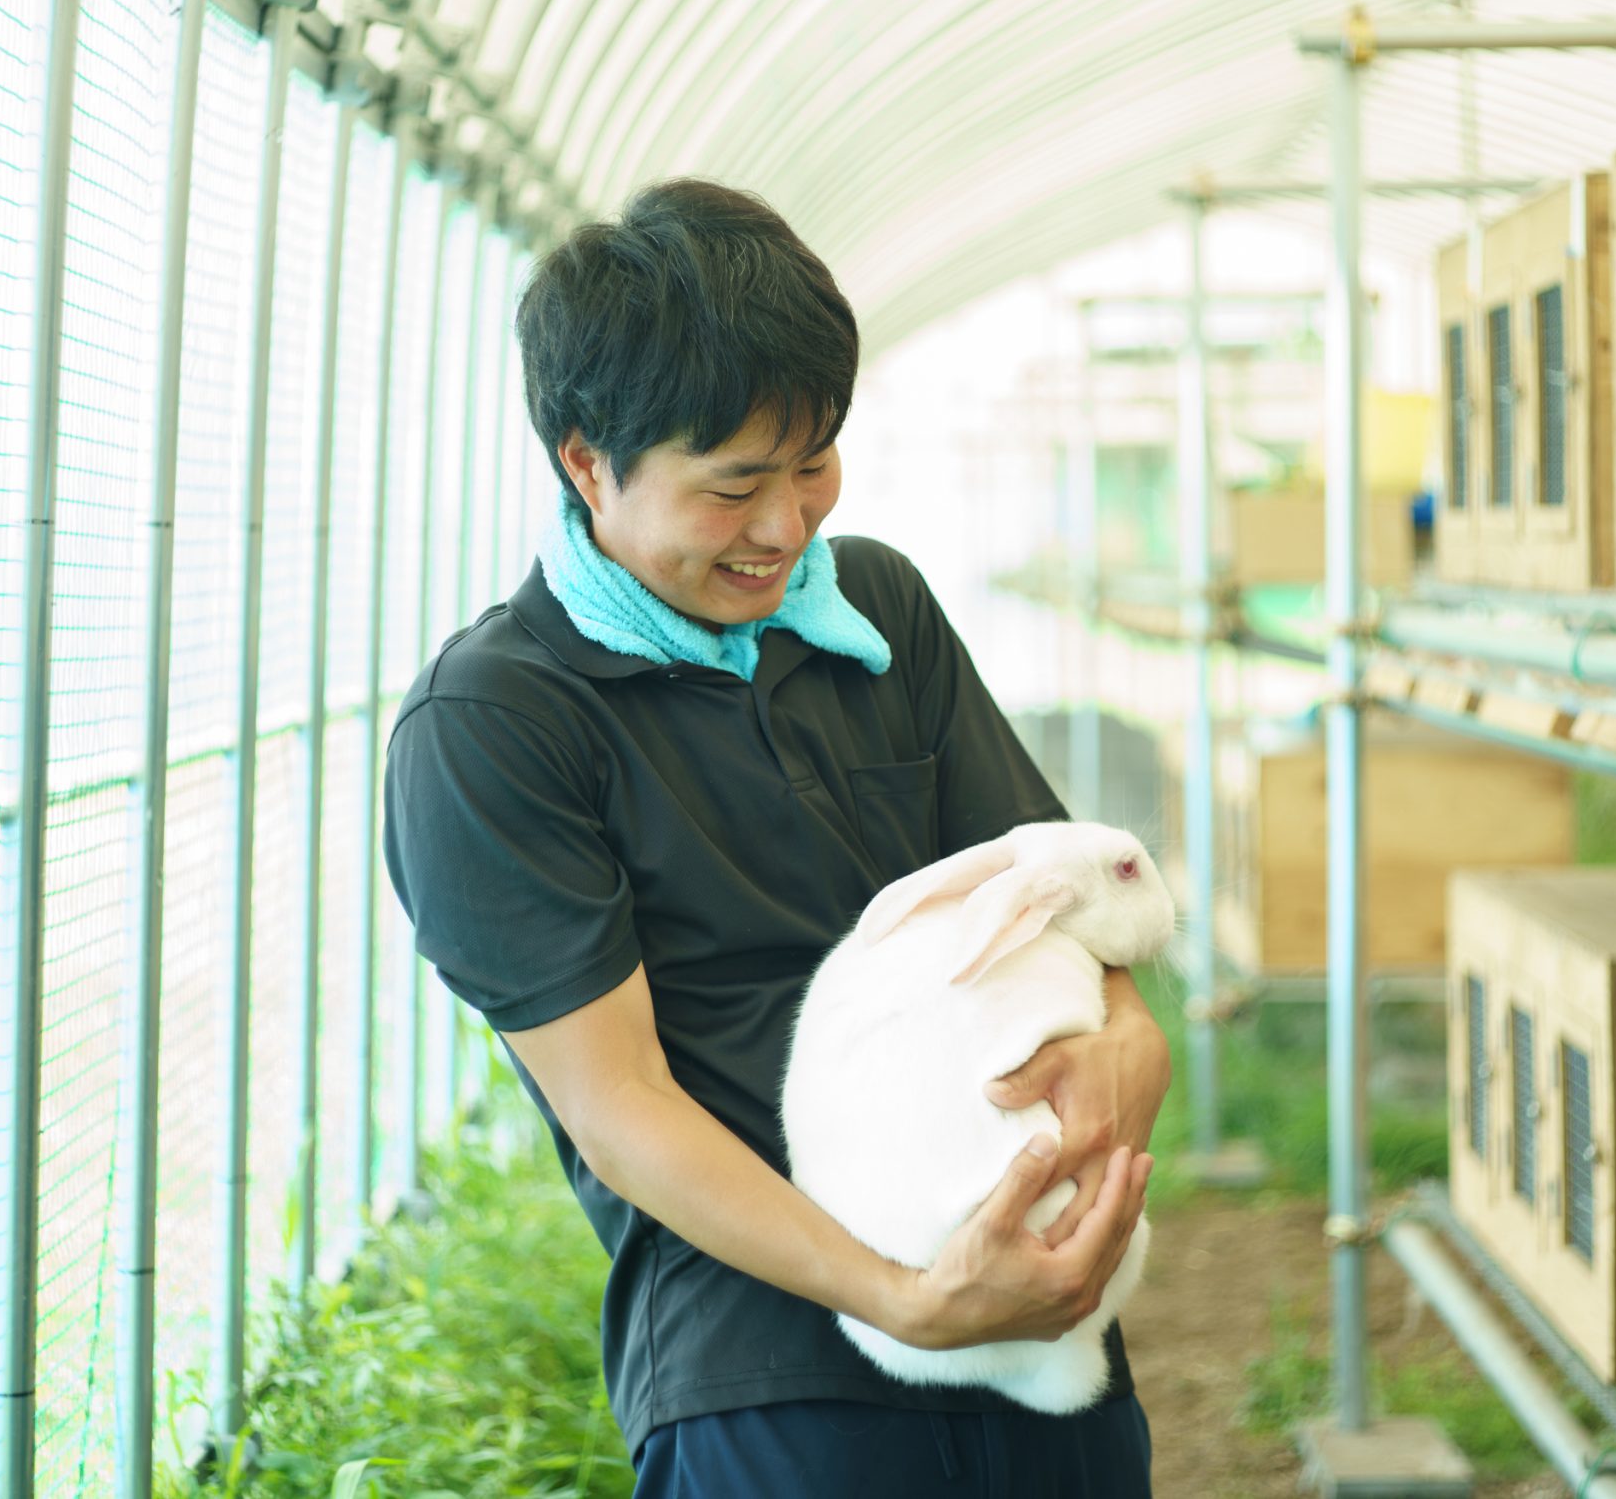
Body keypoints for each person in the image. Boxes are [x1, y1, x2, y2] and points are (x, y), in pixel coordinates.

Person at [382, 179, 1172, 1496]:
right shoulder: (496, 724)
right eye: (734, 485)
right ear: (588, 463)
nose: (785, 524)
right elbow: (620, 1107)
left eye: (813, 464)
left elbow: (1057, 889)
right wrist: (904, 1301)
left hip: (1037, 1321)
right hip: (766, 1368)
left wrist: (1129, 1051)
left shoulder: (877, 612)